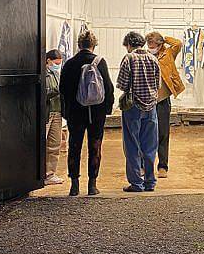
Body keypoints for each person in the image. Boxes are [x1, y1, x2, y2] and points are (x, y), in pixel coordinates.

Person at [59, 30, 114, 197]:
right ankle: (92, 185)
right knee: (95, 146)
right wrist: (107, 109)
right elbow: (109, 88)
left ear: (78, 45)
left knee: (74, 147)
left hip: (75, 112)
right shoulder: (100, 62)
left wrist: (66, 111)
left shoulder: (70, 63)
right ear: (94, 45)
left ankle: (74, 185)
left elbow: (63, 89)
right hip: (96, 112)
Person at [117, 31, 160, 193]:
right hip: (151, 107)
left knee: (132, 145)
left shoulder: (129, 58)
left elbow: (122, 84)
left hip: (133, 107)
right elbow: (158, 84)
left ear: (128, 44)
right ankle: (150, 182)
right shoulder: (153, 59)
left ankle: (136, 183)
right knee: (150, 146)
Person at [145, 32, 184, 178]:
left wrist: (164, 38)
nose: (151, 48)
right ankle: (145, 165)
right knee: (147, 134)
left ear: (160, 45)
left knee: (163, 133)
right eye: (149, 45)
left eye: (154, 45)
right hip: (147, 99)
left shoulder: (168, 53)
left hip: (163, 99)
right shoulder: (146, 56)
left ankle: (163, 166)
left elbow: (178, 44)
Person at [45, 49, 64, 185]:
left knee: (54, 144)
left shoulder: (56, 73)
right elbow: (44, 92)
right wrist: (57, 91)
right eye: (56, 63)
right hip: (46, 112)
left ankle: (50, 173)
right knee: (42, 143)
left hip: (57, 111)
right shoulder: (43, 74)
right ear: (48, 61)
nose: (57, 65)